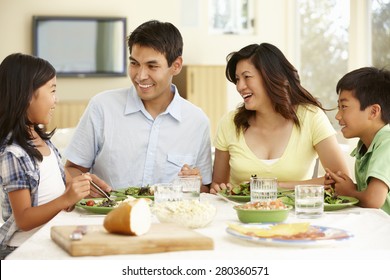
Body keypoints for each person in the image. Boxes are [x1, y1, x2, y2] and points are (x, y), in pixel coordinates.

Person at [64, 20, 212, 194]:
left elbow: (204, 189)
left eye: (152, 66)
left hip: (167, 219)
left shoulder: (196, 121)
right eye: (134, 63)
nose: (140, 76)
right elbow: (72, 170)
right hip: (107, 217)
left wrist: (193, 183)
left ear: (176, 66)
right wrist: (85, 186)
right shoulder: (102, 107)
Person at [210, 43, 349, 194]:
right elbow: (218, 186)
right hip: (240, 216)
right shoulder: (229, 123)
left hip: (297, 215)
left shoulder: (311, 117)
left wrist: (274, 186)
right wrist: (219, 188)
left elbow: (342, 180)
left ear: (271, 76)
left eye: (247, 77)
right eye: (237, 79)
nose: (239, 86)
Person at [0, 53, 92, 259]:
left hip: (50, 238)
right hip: (25, 249)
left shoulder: (44, 142)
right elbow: (23, 219)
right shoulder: (13, 153)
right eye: (52, 90)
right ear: (26, 95)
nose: (56, 100)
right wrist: (66, 199)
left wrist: (87, 182)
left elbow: (58, 179)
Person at [325, 67, 390, 214]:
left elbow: (374, 199)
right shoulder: (364, 146)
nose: (338, 116)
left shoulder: (387, 141)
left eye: (344, 107)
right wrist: (343, 186)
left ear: (373, 111)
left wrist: (349, 191)